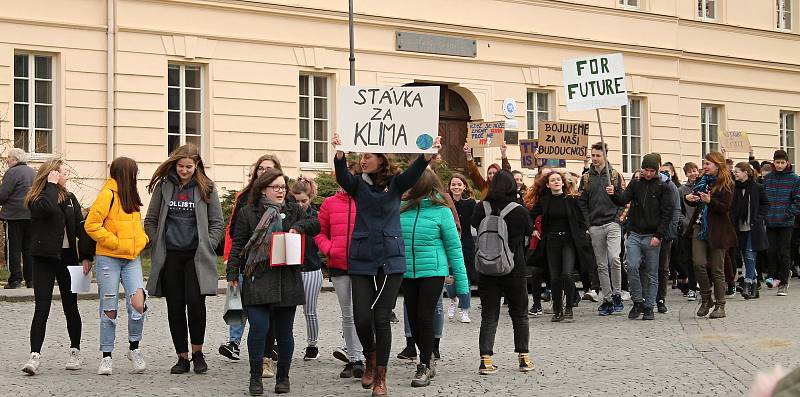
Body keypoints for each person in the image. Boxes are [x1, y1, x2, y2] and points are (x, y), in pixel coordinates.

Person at [331, 132, 441, 397]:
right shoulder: (358, 183)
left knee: (381, 317)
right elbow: (343, 176)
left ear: (381, 159)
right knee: (361, 317)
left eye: (367, 156)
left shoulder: (396, 183)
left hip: (391, 259)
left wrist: (426, 155)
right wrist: (339, 154)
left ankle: (381, 376)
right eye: (361, 156)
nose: (363, 160)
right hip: (362, 258)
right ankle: (369, 358)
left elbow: (415, 173)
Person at [227, 168, 320, 395]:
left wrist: (298, 227)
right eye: (275, 187)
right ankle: (255, 377)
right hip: (258, 276)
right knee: (259, 327)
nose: (280, 191)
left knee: (285, 332)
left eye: (282, 187)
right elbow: (238, 244)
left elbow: (315, 225)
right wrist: (231, 275)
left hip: (286, 278)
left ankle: (283, 377)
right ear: (263, 189)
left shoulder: (293, 209)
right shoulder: (249, 212)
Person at [144, 144, 224, 374]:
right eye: (180, 166)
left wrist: (207, 244)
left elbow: (217, 223)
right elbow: (150, 219)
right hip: (171, 256)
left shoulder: (206, 187)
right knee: (175, 306)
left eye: (189, 166)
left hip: (196, 257)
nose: (184, 170)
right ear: (174, 164)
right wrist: (156, 239)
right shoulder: (164, 186)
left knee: (196, 304)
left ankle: (198, 353)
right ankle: (182, 357)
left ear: (197, 165)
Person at [21, 159, 95, 375]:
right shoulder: (38, 198)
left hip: (68, 258)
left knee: (71, 307)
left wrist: (86, 255)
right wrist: (51, 186)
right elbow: (45, 209)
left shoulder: (70, 199)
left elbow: (82, 228)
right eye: (63, 173)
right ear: (52, 175)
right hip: (43, 257)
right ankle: (35, 355)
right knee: (41, 308)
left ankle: (75, 350)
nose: (67, 176)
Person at [398, 169, 468, 387]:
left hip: (433, 271)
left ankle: (424, 365)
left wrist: (462, 284)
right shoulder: (401, 208)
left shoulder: (442, 210)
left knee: (425, 316)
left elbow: (454, 247)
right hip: (408, 271)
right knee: (413, 316)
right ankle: (426, 356)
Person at [84, 157, 149, 375]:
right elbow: (92, 225)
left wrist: (142, 241)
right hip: (109, 259)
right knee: (109, 308)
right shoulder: (107, 195)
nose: (136, 176)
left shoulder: (131, 195)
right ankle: (107, 356)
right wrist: (115, 242)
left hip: (131, 259)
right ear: (125, 173)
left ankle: (134, 348)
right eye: (134, 172)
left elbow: (137, 227)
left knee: (138, 304)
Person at [219, 154, 279, 378]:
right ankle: (237, 344)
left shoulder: (285, 199)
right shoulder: (245, 198)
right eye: (261, 169)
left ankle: (268, 353)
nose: (264, 172)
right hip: (249, 263)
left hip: (275, 267)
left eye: (269, 169)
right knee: (243, 307)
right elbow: (234, 232)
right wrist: (231, 260)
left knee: (270, 316)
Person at [472, 170, 534, 375]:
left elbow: (473, 225)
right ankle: (524, 358)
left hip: (487, 268)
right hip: (513, 267)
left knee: (489, 314)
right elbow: (528, 230)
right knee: (519, 313)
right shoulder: (518, 210)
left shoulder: (482, 207)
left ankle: (486, 360)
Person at [607, 153, 673, 321]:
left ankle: (649, 306)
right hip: (635, 233)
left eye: (652, 170)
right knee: (633, 266)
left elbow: (667, 213)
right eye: (646, 170)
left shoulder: (663, 186)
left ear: (656, 170)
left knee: (652, 272)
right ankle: (637, 302)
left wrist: (659, 235)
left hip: (652, 234)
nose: (649, 173)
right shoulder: (636, 184)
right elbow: (622, 200)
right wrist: (613, 193)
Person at [314, 182, 366, 379]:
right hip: (339, 264)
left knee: (363, 312)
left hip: (363, 265)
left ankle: (365, 356)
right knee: (348, 314)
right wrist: (329, 249)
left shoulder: (365, 199)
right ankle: (354, 358)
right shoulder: (329, 203)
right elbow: (319, 232)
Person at [684, 151, 737, 318]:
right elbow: (696, 198)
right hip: (699, 226)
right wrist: (689, 198)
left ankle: (720, 305)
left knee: (717, 269)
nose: (704, 167)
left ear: (717, 165)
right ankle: (707, 298)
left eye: (707, 164)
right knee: (698, 264)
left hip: (718, 230)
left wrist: (710, 201)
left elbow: (725, 207)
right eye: (704, 163)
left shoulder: (727, 184)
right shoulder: (702, 181)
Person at [531, 172, 589, 322]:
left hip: (569, 241)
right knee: (555, 277)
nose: (556, 182)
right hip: (551, 241)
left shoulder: (572, 200)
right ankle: (558, 309)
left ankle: (569, 307)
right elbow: (529, 215)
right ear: (548, 185)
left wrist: (582, 235)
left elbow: (582, 221)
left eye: (558, 179)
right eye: (552, 180)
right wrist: (533, 229)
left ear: (563, 183)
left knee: (567, 274)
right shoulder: (544, 201)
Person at [578, 142, 625, 316]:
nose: (595, 159)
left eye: (598, 155)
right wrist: (588, 224)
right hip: (595, 225)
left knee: (614, 258)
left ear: (605, 155)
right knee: (601, 264)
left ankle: (618, 293)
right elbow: (581, 203)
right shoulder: (586, 178)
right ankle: (607, 298)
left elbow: (624, 199)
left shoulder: (614, 175)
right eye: (593, 155)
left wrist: (618, 219)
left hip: (612, 223)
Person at [289, 177, 324, 361]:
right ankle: (281, 343)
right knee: (286, 310)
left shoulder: (315, 216)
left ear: (310, 198)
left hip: (310, 268)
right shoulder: (286, 215)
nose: (301, 204)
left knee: (309, 310)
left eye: (304, 201)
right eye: (297, 201)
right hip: (290, 269)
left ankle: (312, 345)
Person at [762, 150, 800, 296]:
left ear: (787, 163)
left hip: (786, 222)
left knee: (784, 252)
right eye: (777, 162)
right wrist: (765, 214)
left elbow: (797, 200)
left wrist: (788, 214)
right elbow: (763, 198)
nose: (779, 165)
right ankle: (774, 278)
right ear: (773, 162)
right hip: (770, 221)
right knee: (771, 252)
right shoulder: (768, 178)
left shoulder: (794, 179)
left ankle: (783, 283)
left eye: (782, 163)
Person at [732, 162, 768, 299]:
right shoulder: (734, 188)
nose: (735, 174)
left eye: (737, 172)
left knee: (749, 254)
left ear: (746, 172)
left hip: (753, 227)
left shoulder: (757, 187)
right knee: (745, 256)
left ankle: (747, 283)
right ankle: (754, 285)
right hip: (739, 227)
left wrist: (758, 218)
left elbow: (766, 205)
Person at [1, 148, 36, 289]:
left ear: (15, 159)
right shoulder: (33, 172)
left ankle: (15, 280)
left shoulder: (12, 172)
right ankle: (31, 280)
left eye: (9, 157)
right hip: (31, 215)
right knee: (28, 249)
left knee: (13, 248)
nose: (7, 159)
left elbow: (3, 195)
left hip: (14, 216)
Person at [654, 157, 684, 314]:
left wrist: (671, 230)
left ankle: (661, 297)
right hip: (651, 230)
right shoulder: (653, 184)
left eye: (667, 171)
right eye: (662, 171)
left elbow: (676, 210)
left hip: (666, 232)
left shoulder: (671, 187)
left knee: (663, 266)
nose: (664, 174)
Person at [446, 173, 475, 321]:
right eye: (453, 184)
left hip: (466, 243)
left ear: (464, 186)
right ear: (449, 187)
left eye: (459, 184)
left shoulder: (471, 203)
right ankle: (453, 299)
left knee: (465, 277)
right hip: (449, 243)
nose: (456, 187)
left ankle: (465, 310)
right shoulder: (445, 203)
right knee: (449, 277)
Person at [677, 162, 701, 300]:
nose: (693, 174)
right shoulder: (681, 190)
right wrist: (687, 223)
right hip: (686, 230)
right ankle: (692, 287)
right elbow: (678, 211)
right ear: (686, 174)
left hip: (701, 228)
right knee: (688, 260)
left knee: (700, 260)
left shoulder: (704, 186)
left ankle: (704, 285)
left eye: (695, 170)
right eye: (690, 172)